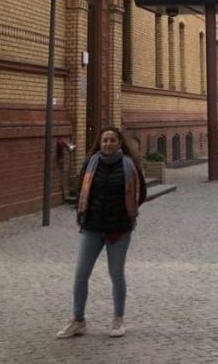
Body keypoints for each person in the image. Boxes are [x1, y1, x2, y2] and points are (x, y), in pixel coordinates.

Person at [56, 126, 147, 339]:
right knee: (81, 273)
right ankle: (78, 320)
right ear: (100, 143)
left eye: (112, 140)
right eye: (105, 140)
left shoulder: (130, 165)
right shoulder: (91, 163)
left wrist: (125, 214)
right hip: (92, 228)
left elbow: (141, 193)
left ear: (120, 143)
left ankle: (118, 319)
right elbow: (82, 191)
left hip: (118, 230)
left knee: (116, 273)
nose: (108, 144)